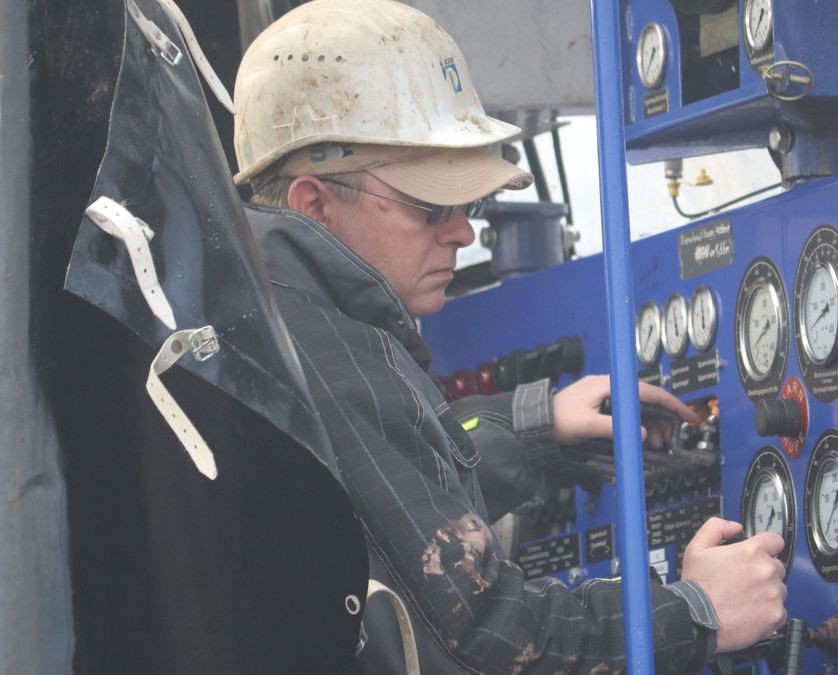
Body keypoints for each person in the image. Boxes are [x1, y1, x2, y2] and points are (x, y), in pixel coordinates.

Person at [231, 0, 787, 672]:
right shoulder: (325, 352)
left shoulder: (262, 327)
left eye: (472, 204)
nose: (463, 233)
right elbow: (486, 639)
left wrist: (533, 428)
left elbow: (391, 496)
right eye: (431, 205)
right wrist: (696, 610)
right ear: (314, 203)